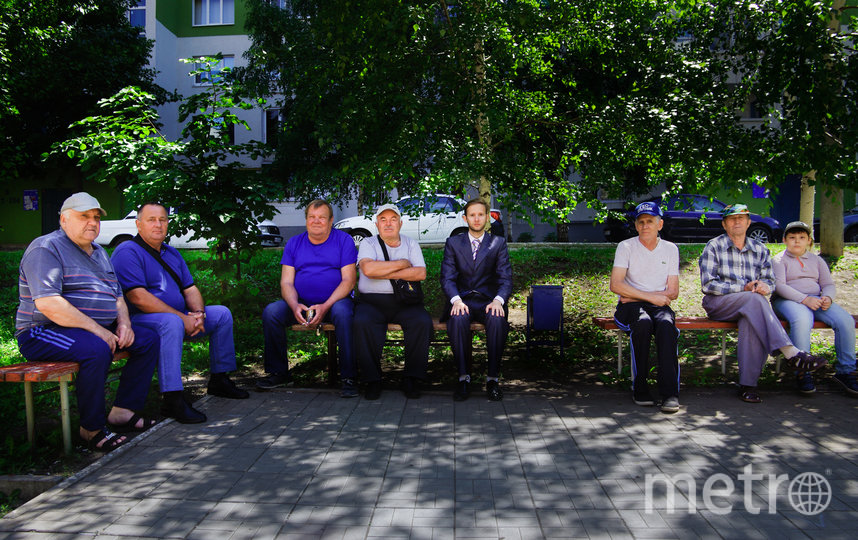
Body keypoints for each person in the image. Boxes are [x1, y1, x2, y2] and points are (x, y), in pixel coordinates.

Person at [15, 192, 158, 452]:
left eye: (95, 217)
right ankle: (91, 429)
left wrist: (124, 324)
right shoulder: (46, 248)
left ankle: (123, 411)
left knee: (147, 338)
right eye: (84, 216)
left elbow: (117, 297)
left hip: (89, 330)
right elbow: (49, 304)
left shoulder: (100, 252)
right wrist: (99, 332)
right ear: (63, 219)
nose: (92, 222)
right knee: (96, 349)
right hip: (44, 330)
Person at [110, 203, 249, 425]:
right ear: (138, 224)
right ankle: (172, 398)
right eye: (151, 219)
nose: (158, 224)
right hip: (140, 320)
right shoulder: (127, 251)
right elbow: (138, 298)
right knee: (171, 322)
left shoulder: (171, 253)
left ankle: (220, 379)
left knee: (221, 314)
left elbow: (190, 289)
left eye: (163, 219)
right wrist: (182, 318)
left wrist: (198, 314)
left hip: (176, 316)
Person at [699, 204, 825, 403]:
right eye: (732, 219)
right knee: (753, 299)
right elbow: (708, 284)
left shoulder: (759, 248)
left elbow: (770, 280)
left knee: (751, 318)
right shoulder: (714, 246)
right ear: (724, 224)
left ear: (749, 222)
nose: (737, 221)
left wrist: (766, 287)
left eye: (742, 218)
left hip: (752, 306)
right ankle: (791, 352)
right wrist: (744, 288)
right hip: (719, 304)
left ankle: (748, 386)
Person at [260, 199, 358, 397]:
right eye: (312, 217)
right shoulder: (294, 243)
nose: (316, 221)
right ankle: (279, 373)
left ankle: (349, 377)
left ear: (331, 221)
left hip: (336, 301)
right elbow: (286, 283)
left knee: (344, 313)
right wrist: (294, 305)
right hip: (301, 302)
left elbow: (349, 281)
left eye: (322, 217)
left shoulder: (343, 241)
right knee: (272, 312)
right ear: (306, 220)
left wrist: (326, 305)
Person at [354, 204, 433, 400]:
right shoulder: (368, 243)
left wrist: (383, 270)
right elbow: (368, 271)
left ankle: (411, 379)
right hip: (371, 303)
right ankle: (372, 380)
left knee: (422, 322)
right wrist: (403, 264)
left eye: (393, 219)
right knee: (362, 322)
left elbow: (420, 273)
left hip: (405, 303)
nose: (388, 223)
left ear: (400, 223)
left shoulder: (410, 244)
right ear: (376, 224)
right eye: (383, 219)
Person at [772, 221, 858, 396]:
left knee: (845, 321)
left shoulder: (816, 260)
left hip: (816, 300)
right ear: (784, 240)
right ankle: (803, 371)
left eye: (802, 238)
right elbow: (779, 286)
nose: (797, 241)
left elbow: (827, 284)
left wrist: (828, 297)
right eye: (792, 238)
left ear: (809, 241)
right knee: (803, 318)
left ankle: (846, 370)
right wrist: (804, 299)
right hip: (787, 301)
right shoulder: (779, 260)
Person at [609, 202, 680, 413]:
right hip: (632, 308)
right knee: (642, 323)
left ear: (660, 224)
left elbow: (673, 291)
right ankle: (640, 387)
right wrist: (650, 296)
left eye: (650, 221)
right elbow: (616, 285)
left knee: (666, 326)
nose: (645, 225)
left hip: (655, 304)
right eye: (641, 222)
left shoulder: (670, 249)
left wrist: (633, 294)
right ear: (636, 225)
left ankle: (669, 394)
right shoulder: (626, 246)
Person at [441, 198, 512, 401]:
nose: (477, 218)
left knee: (497, 319)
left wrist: (499, 300)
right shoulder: (453, 243)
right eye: (472, 215)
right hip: (461, 299)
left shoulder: (497, 243)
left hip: (488, 300)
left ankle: (492, 379)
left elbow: (505, 278)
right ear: (465, 218)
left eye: (481, 214)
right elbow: (447, 277)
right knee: (457, 319)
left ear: (487, 217)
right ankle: (464, 378)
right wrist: (455, 300)